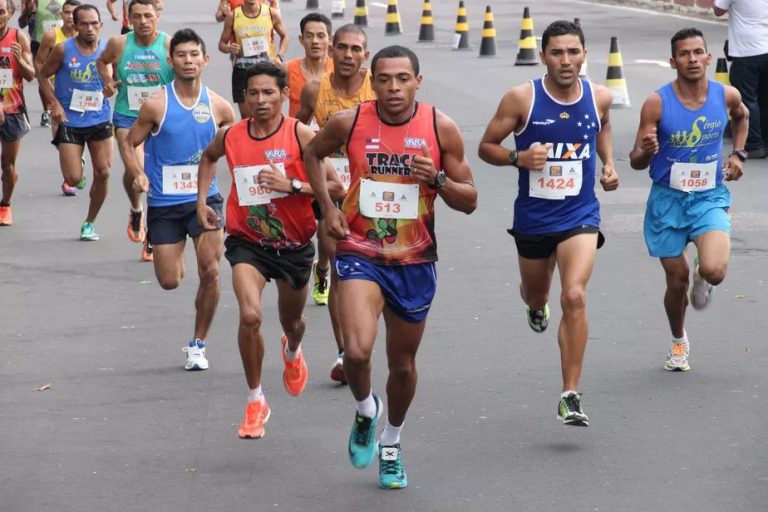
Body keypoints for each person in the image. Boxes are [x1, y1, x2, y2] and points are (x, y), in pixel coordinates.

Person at [304, 45, 477, 489]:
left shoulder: (441, 128)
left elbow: (470, 200)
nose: (394, 88)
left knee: (401, 365)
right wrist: (328, 208)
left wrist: (435, 179)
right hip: (360, 252)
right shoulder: (351, 122)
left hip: (414, 260)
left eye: (403, 78)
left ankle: (393, 440)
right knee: (358, 352)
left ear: (419, 81)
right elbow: (313, 154)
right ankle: (365, 410)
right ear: (371, 80)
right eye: (384, 79)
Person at [478, 20, 619, 427]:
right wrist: (516, 159)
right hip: (534, 219)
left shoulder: (599, 96)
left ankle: (569, 394)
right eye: (557, 52)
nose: (566, 60)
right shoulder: (522, 99)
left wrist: (608, 164)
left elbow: (603, 125)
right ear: (543, 57)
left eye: (573, 52)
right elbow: (486, 146)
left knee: (573, 295)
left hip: (580, 215)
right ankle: (533, 303)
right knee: (538, 295)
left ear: (585, 55)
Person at [197, 62, 343, 438]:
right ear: (243, 98)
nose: (260, 100)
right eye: (253, 93)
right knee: (249, 316)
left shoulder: (302, 134)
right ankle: (255, 399)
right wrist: (202, 201)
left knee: (291, 322)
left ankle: (292, 347)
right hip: (249, 243)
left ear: (283, 96)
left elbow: (337, 188)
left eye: (268, 93)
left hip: (294, 246)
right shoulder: (231, 136)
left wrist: (291, 185)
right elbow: (208, 157)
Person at [629, 27, 748, 372]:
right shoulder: (657, 102)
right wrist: (645, 151)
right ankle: (678, 339)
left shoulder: (725, 95)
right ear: (673, 61)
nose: (692, 59)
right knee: (676, 279)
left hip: (708, 196)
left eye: (698, 52)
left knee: (714, 270)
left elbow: (743, 116)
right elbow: (636, 161)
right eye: (684, 54)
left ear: (708, 58)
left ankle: (703, 276)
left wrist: (738, 154)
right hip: (667, 200)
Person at [121, 28, 235, 371]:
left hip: (206, 200)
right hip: (165, 204)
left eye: (194, 55)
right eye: (181, 55)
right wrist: (137, 172)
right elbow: (129, 142)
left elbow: (236, 140)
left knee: (212, 271)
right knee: (170, 281)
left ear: (205, 59)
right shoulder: (156, 104)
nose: (188, 61)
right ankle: (179, 251)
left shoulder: (219, 107)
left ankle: (198, 344)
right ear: (171, 61)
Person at [296, 23, 376, 384]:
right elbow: (297, 133)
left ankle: (322, 271)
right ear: (331, 52)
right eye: (341, 48)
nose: (347, 55)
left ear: (365, 55)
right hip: (330, 192)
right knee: (343, 270)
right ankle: (344, 352)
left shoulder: (380, 86)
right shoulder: (316, 90)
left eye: (355, 49)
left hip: (373, 194)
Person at [97, 0, 173, 261]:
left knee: (153, 177)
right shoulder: (119, 43)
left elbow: (186, 77)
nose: (143, 21)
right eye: (137, 16)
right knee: (139, 172)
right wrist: (108, 82)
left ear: (157, 17)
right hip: (127, 116)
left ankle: (148, 226)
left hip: (160, 119)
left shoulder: (168, 45)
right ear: (128, 18)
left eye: (148, 16)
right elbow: (102, 62)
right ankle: (139, 212)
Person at [38, 3, 113, 241]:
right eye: (84, 23)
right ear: (75, 25)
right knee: (72, 178)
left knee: (103, 172)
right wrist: (54, 104)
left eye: (94, 23)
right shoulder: (63, 49)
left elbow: (116, 79)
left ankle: (89, 222)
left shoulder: (108, 50)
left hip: (99, 119)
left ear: (101, 25)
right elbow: (41, 73)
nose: (90, 28)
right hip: (70, 121)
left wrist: (112, 87)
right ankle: (76, 165)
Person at [34, 0, 78, 196]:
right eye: (66, 13)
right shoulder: (52, 37)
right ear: (61, 15)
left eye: (73, 13)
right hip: (57, 95)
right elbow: (39, 63)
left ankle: (74, 171)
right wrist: (48, 91)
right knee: (61, 139)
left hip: (80, 95)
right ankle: (70, 173)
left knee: (80, 134)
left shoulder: (87, 36)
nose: (70, 16)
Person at [713, 0, 768, 159]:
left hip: (746, 52)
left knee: (747, 100)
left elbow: (718, 10)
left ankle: (755, 144)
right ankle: (765, 141)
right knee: (765, 99)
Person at [217, 0, 287, 119]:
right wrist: (229, 48)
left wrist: (279, 56)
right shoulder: (232, 16)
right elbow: (222, 44)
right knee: (247, 116)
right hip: (242, 69)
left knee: (269, 114)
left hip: (267, 69)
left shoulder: (271, 13)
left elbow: (285, 36)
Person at [0, 0, 35, 226]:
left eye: (1, 11)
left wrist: (20, 59)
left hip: (12, 110)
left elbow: (31, 75)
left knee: (8, 166)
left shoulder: (18, 37)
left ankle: (5, 204)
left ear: (10, 13)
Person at [284, 12, 332, 123]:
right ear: (301, 40)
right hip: (298, 136)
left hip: (330, 138)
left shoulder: (339, 70)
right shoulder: (288, 69)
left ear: (330, 40)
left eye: (320, 36)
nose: (315, 41)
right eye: (309, 36)